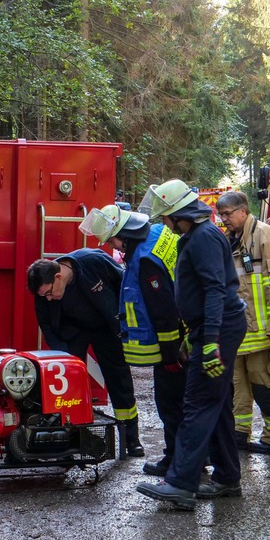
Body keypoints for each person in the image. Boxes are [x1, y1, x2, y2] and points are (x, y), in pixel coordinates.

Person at [134, 180, 247, 510]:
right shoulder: (197, 237)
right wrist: (193, 333)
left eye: (166, 216)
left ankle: (181, 483)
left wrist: (209, 343)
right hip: (212, 329)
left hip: (220, 330)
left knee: (197, 402)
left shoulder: (203, 239)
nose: (165, 223)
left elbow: (215, 292)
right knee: (218, 401)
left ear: (177, 214)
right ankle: (227, 476)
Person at [79, 204, 186, 477]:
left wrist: (170, 354)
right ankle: (186, 457)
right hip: (187, 329)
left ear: (125, 234)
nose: (113, 246)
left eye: (113, 240)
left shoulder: (145, 259)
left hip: (173, 346)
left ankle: (178, 461)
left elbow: (163, 310)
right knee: (183, 402)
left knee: (170, 405)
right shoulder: (160, 233)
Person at [26, 249, 142, 456]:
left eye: (49, 293)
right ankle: (67, 438)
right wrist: (60, 354)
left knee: (119, 379)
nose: (49, 299)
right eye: (44, 296)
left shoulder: (93, 262)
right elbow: (45, 322)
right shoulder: (43, 290)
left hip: (106, 328)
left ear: (58, 276)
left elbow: (125, 284)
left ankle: (131, 438)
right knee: (65, 385)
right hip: (72, 332)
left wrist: (124, 323)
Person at [215, 190, 270, 454]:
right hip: (240, 333)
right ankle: (239, 432)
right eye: (221, 214)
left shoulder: (264, 235)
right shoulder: (230, 240)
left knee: (267, 386)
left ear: (243, 211)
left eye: (228, 214)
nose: (224, 219)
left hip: (263, 334)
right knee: (238, 387)